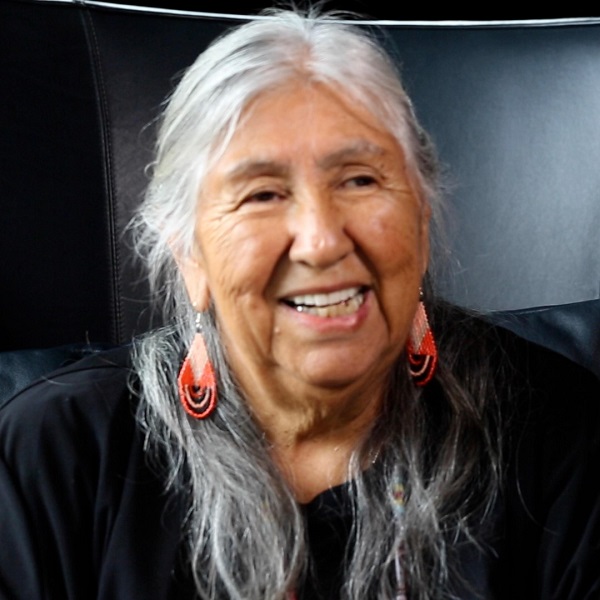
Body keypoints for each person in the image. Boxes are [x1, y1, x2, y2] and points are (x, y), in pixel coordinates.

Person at [1, 9, 599, 600]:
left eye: (360, 180)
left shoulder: (563, 439)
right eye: (262, 194)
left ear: (421, 219)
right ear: (189, 255)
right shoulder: (51, 457)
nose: (320, 240)